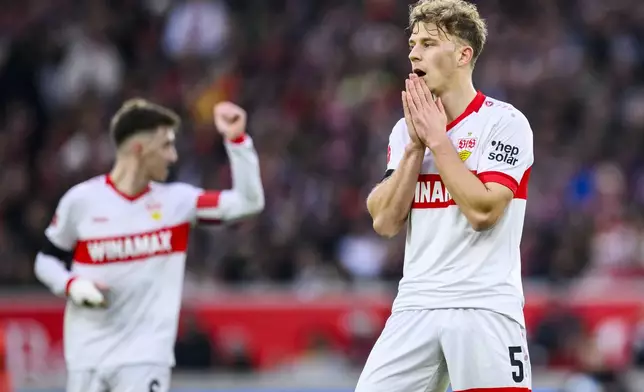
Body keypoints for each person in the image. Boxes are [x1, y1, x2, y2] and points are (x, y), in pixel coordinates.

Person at [358, 1, 533, 391]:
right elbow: (384, 220)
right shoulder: (405, 132)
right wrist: (415, 148)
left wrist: (437, 140)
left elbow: (483, 210)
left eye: (428, 43)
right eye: (413, 43)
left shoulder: (504, 122)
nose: (414, 52)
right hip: (414, 306)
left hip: (483, 306)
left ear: (463, 54)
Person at [34, 99, 264, 392]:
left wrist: (237, 141)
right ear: (139, 150)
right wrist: (71, 286)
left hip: (145, 357)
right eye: (166, 145)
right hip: (87, 354)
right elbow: (45, 260)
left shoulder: (178, 202)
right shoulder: (81, 201)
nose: (173, 156)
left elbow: (248, 203)